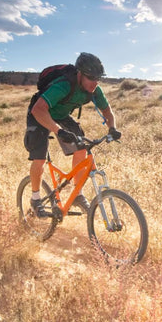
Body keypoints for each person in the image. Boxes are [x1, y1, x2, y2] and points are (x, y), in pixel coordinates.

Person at [24, 52, 121, 216]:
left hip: (61, 115)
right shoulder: (64, 86)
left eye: (98, 78)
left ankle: (77, 194)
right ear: (80, 74)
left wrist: (112, 128)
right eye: (91, 78)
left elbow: (107, 110)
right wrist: (58, 131)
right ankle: (35, 199)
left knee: (81, 149)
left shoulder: (94, 90)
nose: (95, 83)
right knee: (39, 158)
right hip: (39, 114)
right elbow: (38, 109)